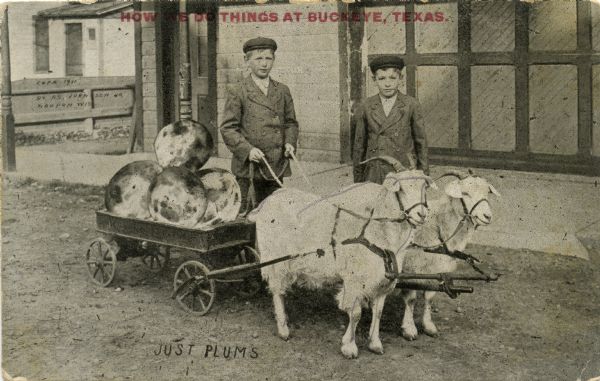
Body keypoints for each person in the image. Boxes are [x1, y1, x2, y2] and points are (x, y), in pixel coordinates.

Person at [220, 37, 298, 212]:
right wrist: (247, 150)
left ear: (273, 60)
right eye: (258, 59)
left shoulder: (282, 90)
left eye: (268, 59)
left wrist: (290, 143)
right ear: (247, 61)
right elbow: (228, 128)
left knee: (274, 215)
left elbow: (291, 123)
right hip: (250, 169)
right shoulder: (238, 90)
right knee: (248, 216)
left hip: (276, 165)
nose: (264, 64)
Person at [352, 55, 429, 184]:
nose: (387, 83)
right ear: (374, 80)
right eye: (381, 78)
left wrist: (424, 176)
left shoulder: (411, 104)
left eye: (393, 78)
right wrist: (358, 179)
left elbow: (421, 143)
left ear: (401, 79)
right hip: (374, 170)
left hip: (403, 169)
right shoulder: (366, 106)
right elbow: (359, 145)